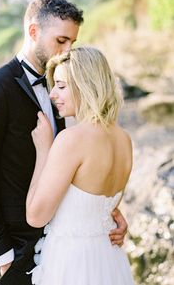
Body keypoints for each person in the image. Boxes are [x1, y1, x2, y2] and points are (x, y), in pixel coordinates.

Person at [0, 0, 127, 285]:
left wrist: (108, 212)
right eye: (61, 40)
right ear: (33, 31)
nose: (67, 50)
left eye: (72, 43)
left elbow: (78, 173)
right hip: (14, 250)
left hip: (59, 247)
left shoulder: (62, 87)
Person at [26, 46, 135, 285]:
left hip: (72, 264)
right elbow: (104, 205)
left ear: (88, 85)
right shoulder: (124, 139)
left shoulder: (71, 139)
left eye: (61, 86)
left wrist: (44, 150)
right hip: (110, 259)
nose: (53, 94)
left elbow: (35, 216)